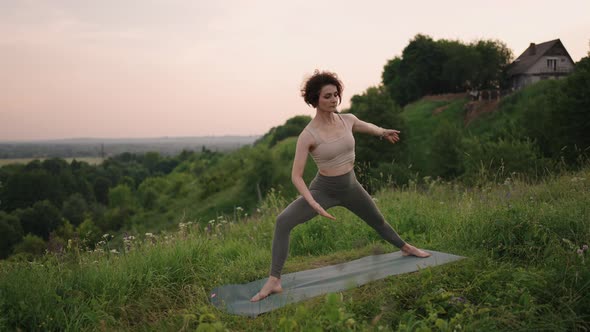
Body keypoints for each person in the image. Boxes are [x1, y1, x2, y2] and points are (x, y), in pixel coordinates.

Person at [250, 70, 430, 302]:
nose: (334, 99)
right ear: (315, 100)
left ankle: (405, 247)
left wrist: (383, 132)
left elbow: (367, 126)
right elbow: (296, 176)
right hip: (323, 190)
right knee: (283, 221)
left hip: (351, 186)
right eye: (327, 96)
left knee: (379, 221)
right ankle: (274, 280)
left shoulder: (347, 120)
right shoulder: (308, 135)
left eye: (336, 94)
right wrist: (313, 202)